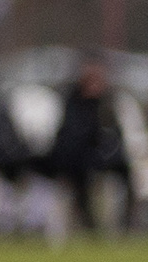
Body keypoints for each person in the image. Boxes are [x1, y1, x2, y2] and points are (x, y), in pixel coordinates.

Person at [43, 54, 135, 237]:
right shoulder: (71, 100)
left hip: (101, 155)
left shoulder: (107, 101)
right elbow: (67, 135)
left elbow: (115, 134)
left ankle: (125, 225)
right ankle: (90, 227)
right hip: (76, 156)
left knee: (126, 172)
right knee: (79, 177)